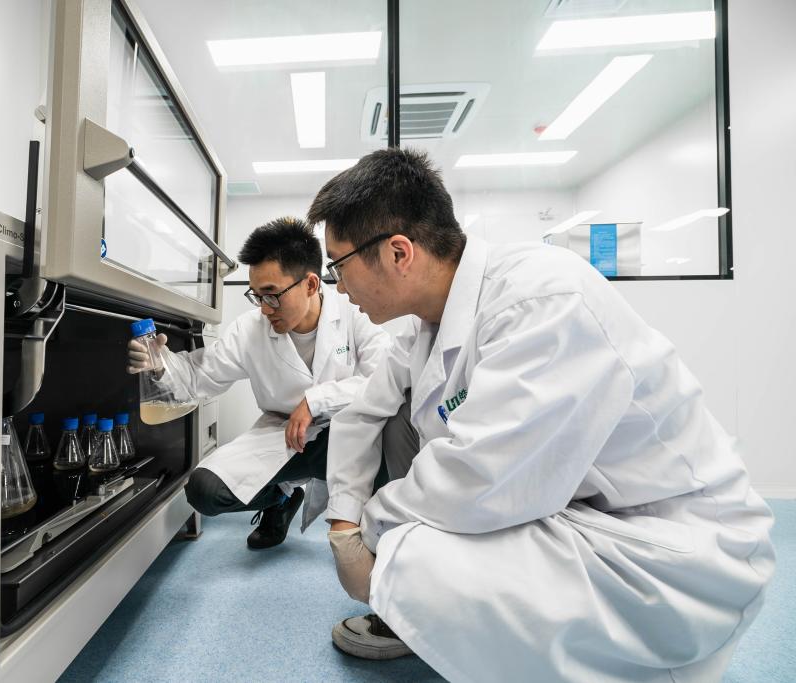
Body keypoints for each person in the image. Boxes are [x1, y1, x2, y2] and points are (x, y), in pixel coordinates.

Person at [309, 148, 776, 680]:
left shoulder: (542, 298)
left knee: (417, 557)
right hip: (578, 506)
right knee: (400, 441)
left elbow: (480, 478)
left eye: (338, 265)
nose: (339, 285)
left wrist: (372, 532)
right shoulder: (427, 324)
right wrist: (343, 523)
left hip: (672, 549)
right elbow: (363, 410)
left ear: (399, 253)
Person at [128, 217, 402, 549]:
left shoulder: (353, 312)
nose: (264, 308)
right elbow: (200, 375)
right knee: (204, 491)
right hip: (283, 435)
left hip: (343, 430)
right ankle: (281, 499)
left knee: (395, 450)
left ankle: (381, 531)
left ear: (310, 284)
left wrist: (316, 400)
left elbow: (384, 379)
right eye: (256, 296)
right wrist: (161, 366)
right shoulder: (250, 329)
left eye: (272, 295)